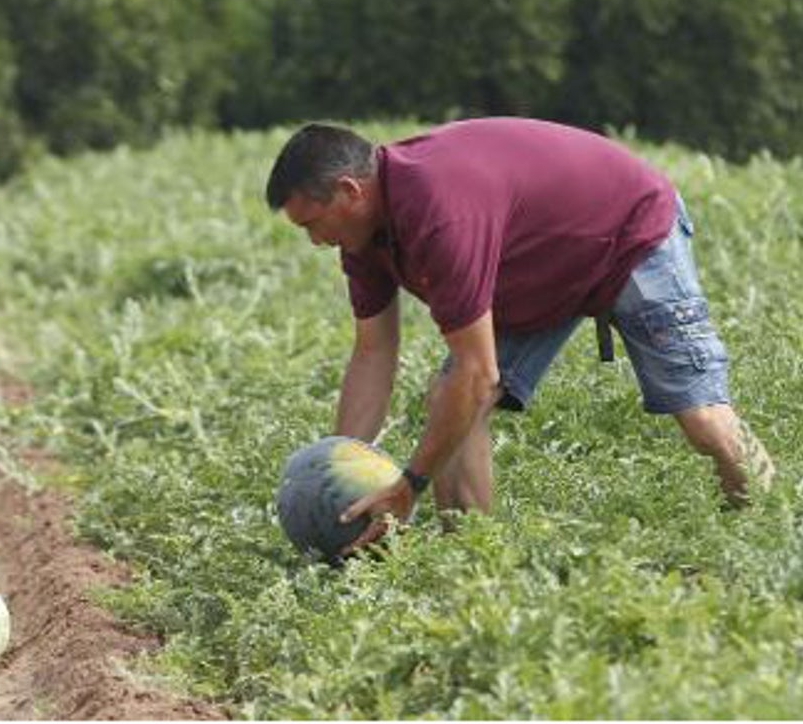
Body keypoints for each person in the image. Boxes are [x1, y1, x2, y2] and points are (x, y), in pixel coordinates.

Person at [264, 117, 775, 555]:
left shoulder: (440, 211)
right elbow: (374, 352)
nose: (314, 241)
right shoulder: (360, 240)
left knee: (704, 420)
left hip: (628, 234)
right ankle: (471, 563)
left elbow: (479, 374)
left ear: (351, 191)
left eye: (313, 223)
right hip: (540, 267)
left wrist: (409, 485)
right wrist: (338, 471)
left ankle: (766, 539)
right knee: (451, 401)